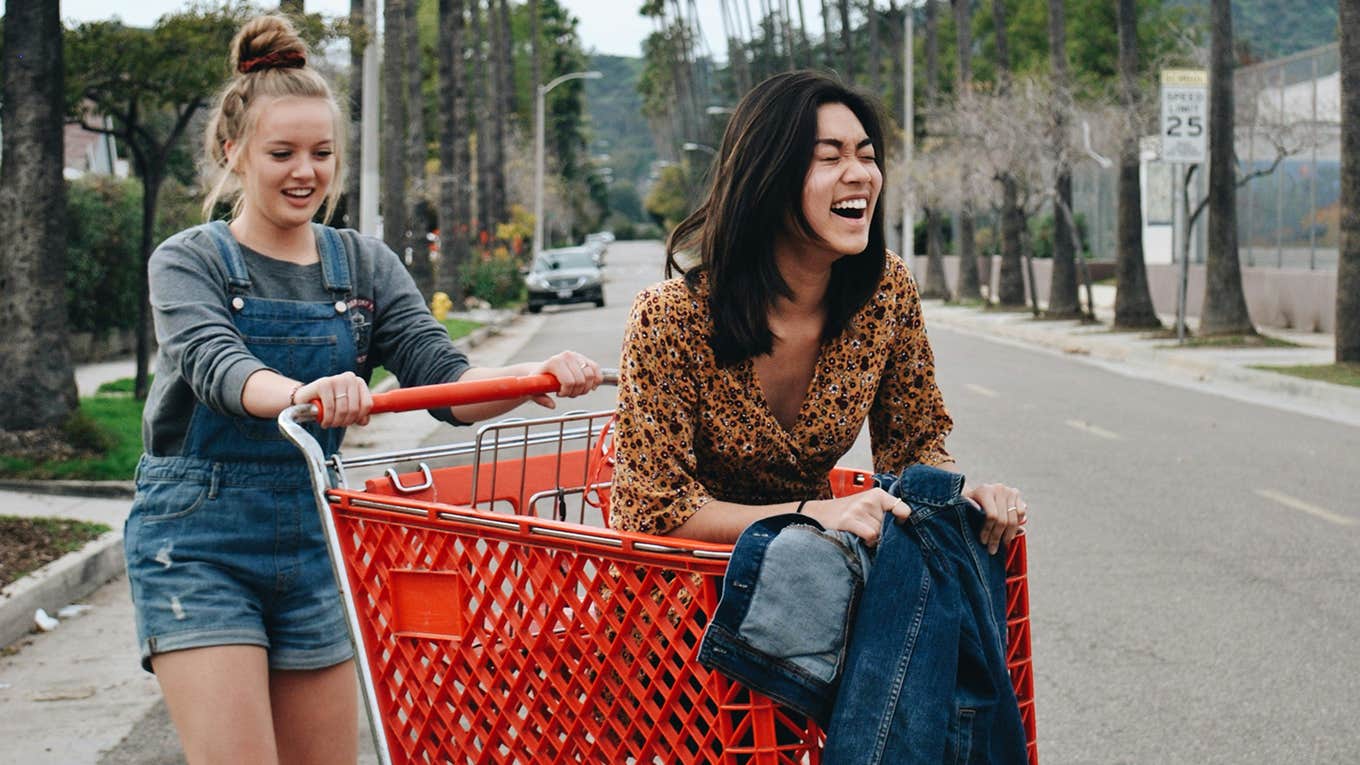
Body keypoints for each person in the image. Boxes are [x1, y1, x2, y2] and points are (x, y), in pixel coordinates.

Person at [123, 15, 602, 763]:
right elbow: (218, 368)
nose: (305, 171)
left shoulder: (365, 265)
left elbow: (445, 381)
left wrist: (532, 378)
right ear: (234, 152)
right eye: (281, 152)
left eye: (322, 153)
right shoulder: (189, 260)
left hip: (317, 536)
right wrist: (302, 394)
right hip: (197, 542)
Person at [608, 70, 1028, 760]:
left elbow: (915, 444)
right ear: (770, 178)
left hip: (819, 615)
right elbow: (651, 512)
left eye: (866, 154)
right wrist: (811, 513)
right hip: (689, 619)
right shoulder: (673, 318)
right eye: (829, 156)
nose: (859, 172)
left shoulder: (884, 293)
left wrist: (964, 494)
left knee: (927, 517)